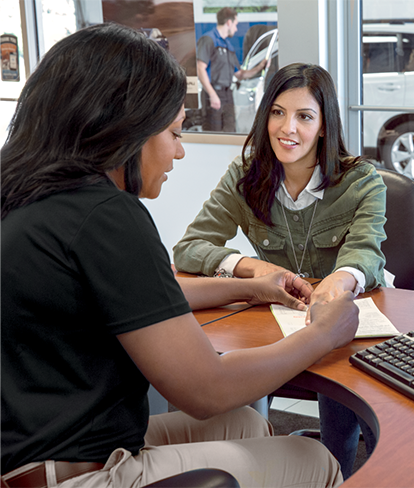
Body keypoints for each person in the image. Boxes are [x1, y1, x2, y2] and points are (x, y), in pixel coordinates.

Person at [1, 23, 357, 488]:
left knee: (245, 424)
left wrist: (250, 286)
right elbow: (206, 389)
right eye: (174, 132)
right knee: (311, 457)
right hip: (77, 470)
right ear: (124, 130)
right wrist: (322, 334)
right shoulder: (106, 214)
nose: (181, 152)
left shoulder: (36, 196)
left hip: (35, 447)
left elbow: (144, 300)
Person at [173, 62, 387, 478]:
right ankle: (268, 466)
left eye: (304, 116)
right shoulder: (246, 175)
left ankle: (341, 468)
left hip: (348, 317)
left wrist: (336, 284)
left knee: (343, 390)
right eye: (277, 112)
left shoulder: (362, 181)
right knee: (235, 378)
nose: (287, 128)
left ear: (325, 125)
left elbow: (366, 254)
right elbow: (189, 249)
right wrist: (251, 267)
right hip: (277, 319)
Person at [197, 7, 264, 132]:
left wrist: (260, 66)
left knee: (230, 130)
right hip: (213, 94)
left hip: (228, 95)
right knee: (214, 133)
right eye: (235, 24)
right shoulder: (208, 40)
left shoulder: (228, 45)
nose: (236, 28)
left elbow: (240, 74)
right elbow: (201, 68)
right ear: (229, 22)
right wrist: (212, 95)